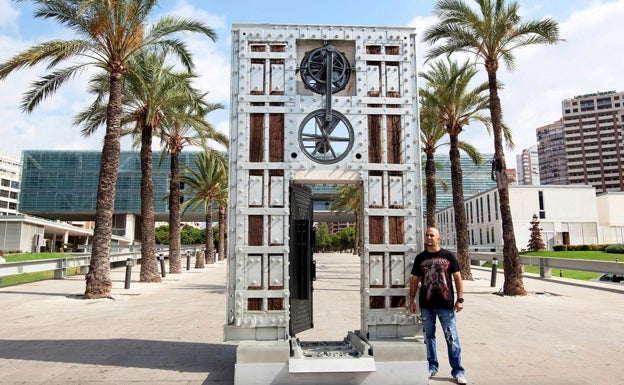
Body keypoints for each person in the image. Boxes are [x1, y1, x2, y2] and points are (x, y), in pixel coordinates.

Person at [409, 227, 467, 385]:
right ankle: (432, 367)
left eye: (432, 235)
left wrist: (460, 299)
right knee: (429, 338)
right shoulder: (420, 258)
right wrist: (411, 300)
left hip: (446, 305)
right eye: (427, 235)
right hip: (426, 305)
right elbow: (414, 280)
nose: (428, 237)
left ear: (438, 238)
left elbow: (457, 278)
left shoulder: (448, 256)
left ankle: (458, 371)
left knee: (452, 338)